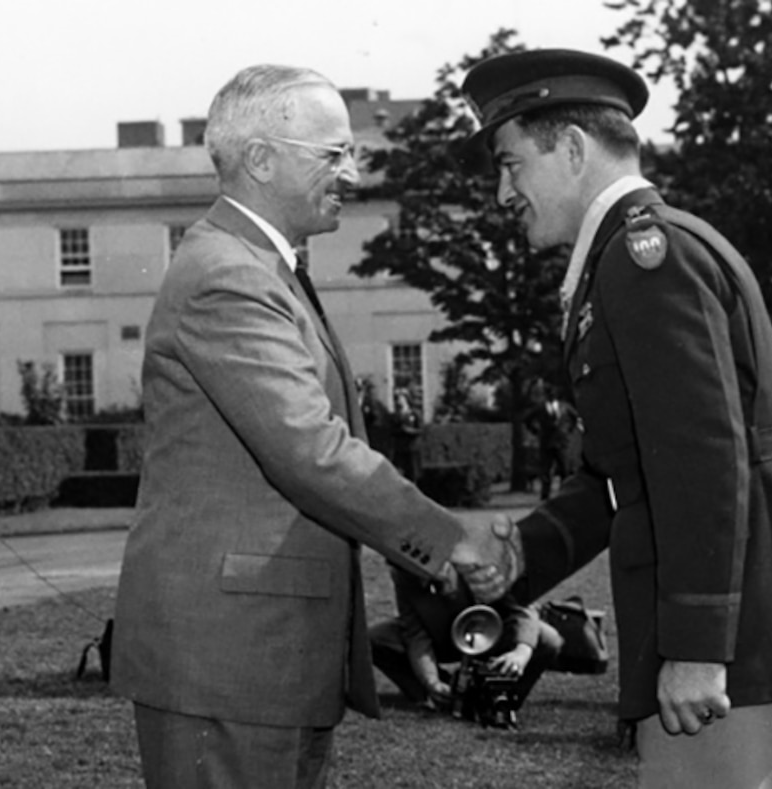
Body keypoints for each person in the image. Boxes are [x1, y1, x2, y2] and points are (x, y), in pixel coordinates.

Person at [457, 48, 772, 789]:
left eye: (511, 163)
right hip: (744, 624)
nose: (502, 191)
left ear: (574, 149)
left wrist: (700, 646)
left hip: (737, 641)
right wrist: (526, 550)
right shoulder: (629, 255)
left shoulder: (648, 256)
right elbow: (626, 471)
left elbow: (703, 459)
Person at [109, 64, 509, 789]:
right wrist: (449, 538)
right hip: (231, 662)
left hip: (264, 658)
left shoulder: (265, 267)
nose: (351, 173)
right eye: (334, 155)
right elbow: (311, 452)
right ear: (261, 158)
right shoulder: (228, 275)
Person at [368, 564, 562, 729]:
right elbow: (415, 633)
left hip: (492, 632)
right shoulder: (403, 576)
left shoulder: (477, 560)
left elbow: (522, 608)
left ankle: (503, 698)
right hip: (442, 636)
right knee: (375, 638)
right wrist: (431, 681)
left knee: (548, 639)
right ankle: (441, 696)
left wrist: (521, 651)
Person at [525, 383, 577, 499]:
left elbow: (575, 418)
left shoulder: (565, 407)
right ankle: (545, 495)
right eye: (549, 394)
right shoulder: (540, 407)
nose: (551, 396)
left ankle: (565, 493)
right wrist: (536, 431)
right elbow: (527, 420)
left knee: (565, 469)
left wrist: (568, 430)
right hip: (546, 442)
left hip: (562, 442)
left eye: (553, 394)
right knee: (546, 470)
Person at [390, 388, 422, 480]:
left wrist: (409, 430)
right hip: (400, 449)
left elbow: (420, 429)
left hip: (411, 449)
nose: (399, 401)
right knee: (399, 475)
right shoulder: (395, 416)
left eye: (401, 399)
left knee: (412, 475)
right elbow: (392, 431)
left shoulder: (414, 414)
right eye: (397, 399)